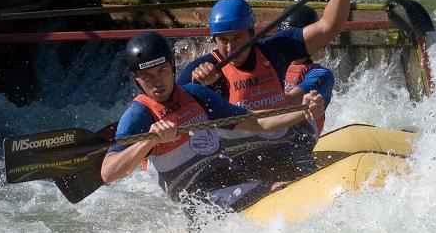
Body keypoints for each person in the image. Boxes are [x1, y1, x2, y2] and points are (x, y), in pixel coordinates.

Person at [176, 0, 360, 179]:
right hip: (237, 155)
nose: (231, 46)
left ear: (253, 34)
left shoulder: (276, 50)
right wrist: (198, 88)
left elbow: (328, 26)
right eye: (222, 40)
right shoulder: (201, 70)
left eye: (238, 37)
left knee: (325, 78)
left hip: (282, 140)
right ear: (214, 39)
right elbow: (168, 110)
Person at [101, 32, 324, 216]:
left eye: (162, 71)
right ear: (136, 79)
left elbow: (257, 122)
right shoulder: (139, 115)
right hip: (198, 200)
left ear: (172, 67)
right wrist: (148, 142)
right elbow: (108, 173)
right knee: (280, 189)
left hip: (231, 176)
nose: (157, 82)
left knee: (293, 177)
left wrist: (304, 112)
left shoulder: (196, 94)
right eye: (147, 76)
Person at [280, 4, 335, 141]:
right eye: (284, 36)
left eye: (295, 37)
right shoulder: (270, 65)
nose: (288, 42)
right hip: (265, 134)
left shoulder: (321, 75)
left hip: (299, 140)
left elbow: (291, 100)